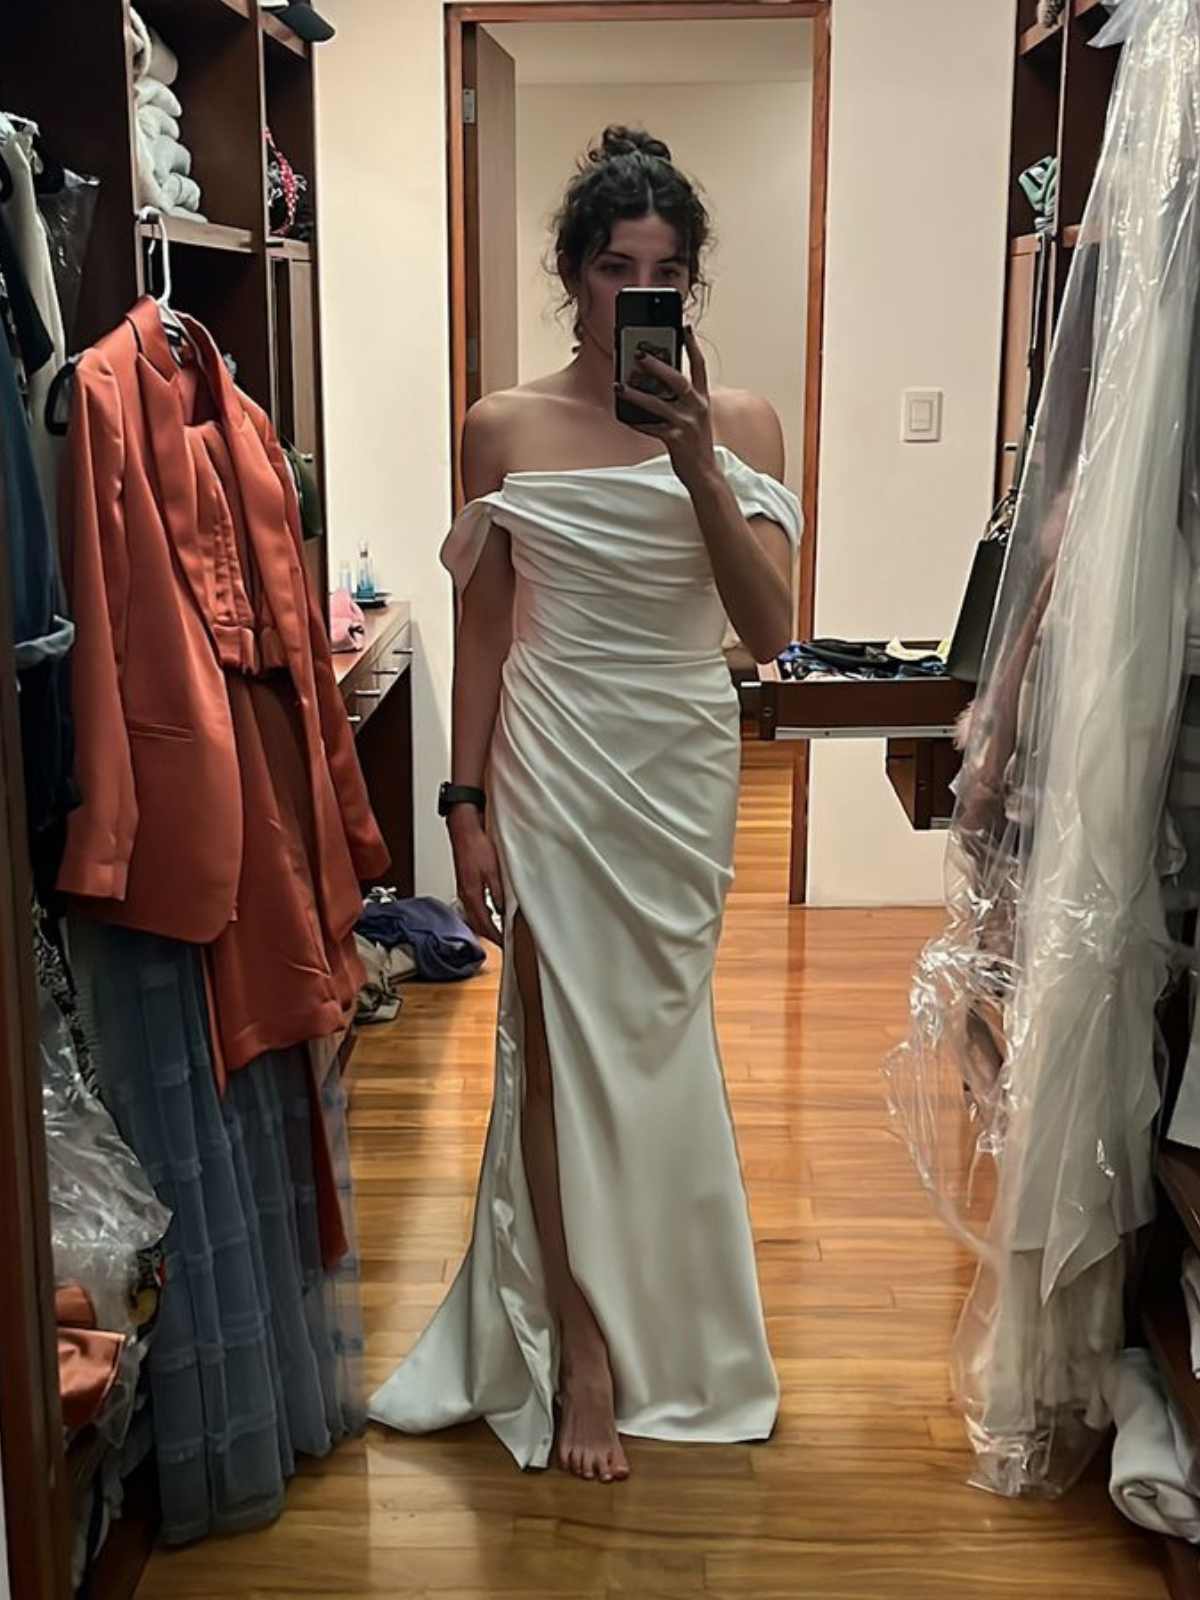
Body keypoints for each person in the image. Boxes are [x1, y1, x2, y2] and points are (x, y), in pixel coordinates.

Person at [369, 126, 801, 1485]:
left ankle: (667, 1312)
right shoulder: (502, 427)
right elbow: (486, 625)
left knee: (657, 1048)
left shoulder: (743, 426)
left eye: (666, 272)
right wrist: (462, 805)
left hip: (677, 763)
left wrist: (698, 466)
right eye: (617, 268)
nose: (640, 293)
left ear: (692, 283)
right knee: (554, 1055)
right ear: (572, 275)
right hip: (552, 758)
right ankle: (588, 1354)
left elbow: (769, 628)